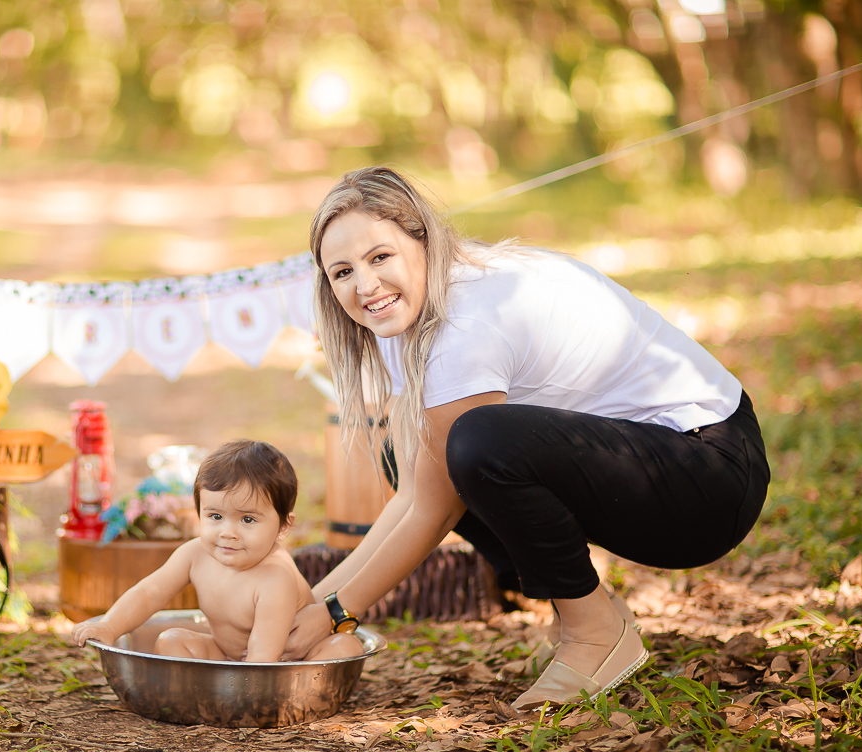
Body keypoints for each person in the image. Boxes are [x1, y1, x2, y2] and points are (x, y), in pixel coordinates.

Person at [282, 167, 769, 711]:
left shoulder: (467, 321)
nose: (365, 285)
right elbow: (415, 495)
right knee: (412, 449)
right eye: (342, 271)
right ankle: (587, 610)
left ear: (420, 236)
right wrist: (313, 605)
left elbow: (434, 508)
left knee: (477, 443)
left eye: (379, 257)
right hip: (650, 463)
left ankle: (595, 633)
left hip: (708, 473)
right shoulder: (409, 308)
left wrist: (332, 616)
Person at [72, 439, 365, 663]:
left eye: (248, 519)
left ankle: (259, 701)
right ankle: (199, 697)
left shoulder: (275, 577)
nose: (228, 532)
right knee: (171, 640)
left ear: (283, 527)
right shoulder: (195, 554)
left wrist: (243, 684)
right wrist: (110, 626)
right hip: (227, 657)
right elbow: (149, 592)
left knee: (346, 646)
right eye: (215, 517)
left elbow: (265, 656)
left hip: (290, 663)